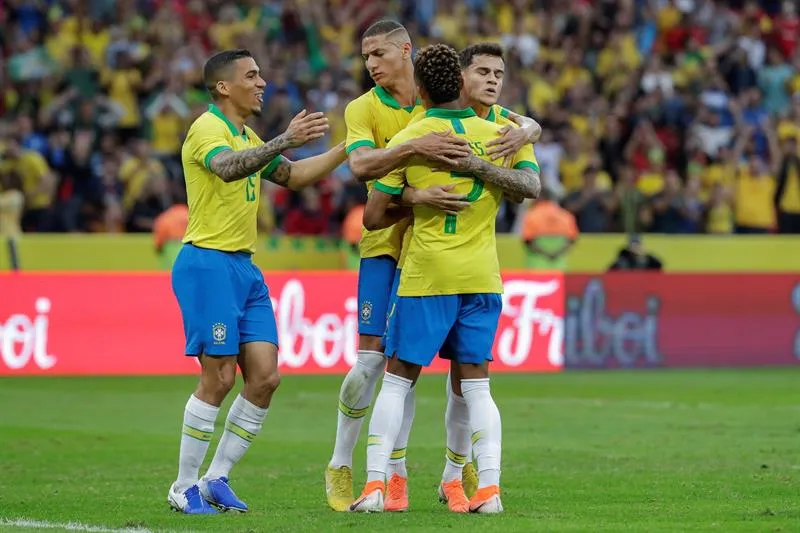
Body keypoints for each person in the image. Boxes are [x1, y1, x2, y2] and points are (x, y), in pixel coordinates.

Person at [351, 43, 541, 514]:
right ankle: (490, 490)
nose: (492, 79)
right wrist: (487, 166)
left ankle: (377, 485)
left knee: (397, 381)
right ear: (461, 81)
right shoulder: (505, 134)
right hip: (481, 276)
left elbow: (374, 217)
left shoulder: (417, 135)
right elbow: (531, 187)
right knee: (476, 385)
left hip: (427, 276)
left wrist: (416, 196)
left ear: (420, 88)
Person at [167, 48, 346, 515]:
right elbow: (228, 167)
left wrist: (350, 148)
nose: (262, 81)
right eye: (251, 75)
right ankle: (183, 485)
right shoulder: (208, 129)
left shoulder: (247, 135)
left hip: (244, 269)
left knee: (265, 378)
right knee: (220, 376)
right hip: (207, 262)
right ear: (224, 86)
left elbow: (292, 175)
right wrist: (284, 138)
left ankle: (215, 478)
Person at [325, 19, 474, 513]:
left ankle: (414, 471)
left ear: (406, 51)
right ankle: (342, 458)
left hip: (437, 253)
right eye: (365, 57)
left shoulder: (440, 96)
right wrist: (415, 162)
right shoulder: (362, 109)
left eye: (379, 54)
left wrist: (531, 129)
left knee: (418, 368)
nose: (370, 64)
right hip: (385, 245)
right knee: (370, 363)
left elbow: (516, 120)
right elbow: (363, 168)